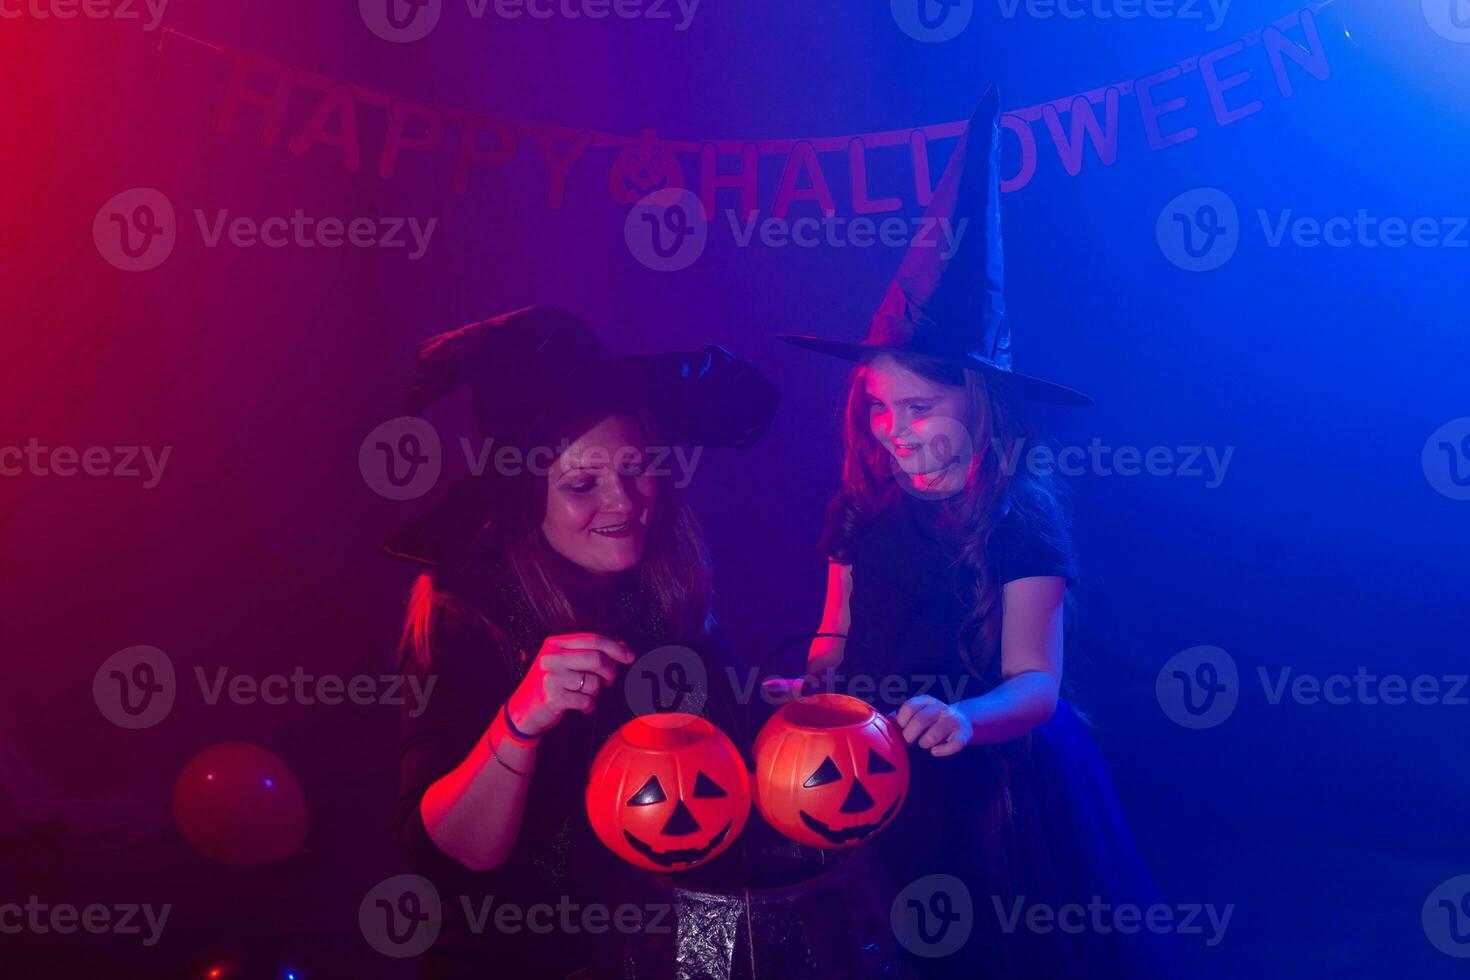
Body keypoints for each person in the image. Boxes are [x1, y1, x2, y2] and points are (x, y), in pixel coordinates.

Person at [771, 88, 1178, 979]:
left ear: (980, 403)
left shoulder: (1018, 518)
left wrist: (964, 716)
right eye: (879, 412)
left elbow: (1036, 684)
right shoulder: (860, 508)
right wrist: (815, 681)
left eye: (917, 408)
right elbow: (836, 629)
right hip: (868, 766)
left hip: (988, 788)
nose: (895, 432)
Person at [383, 306, 778, 978]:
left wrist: (789, 715)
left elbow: (730, 767)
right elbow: (457, 853)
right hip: (522, 957)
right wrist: (520, 723)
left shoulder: (667, 583)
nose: (624, 502)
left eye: (636, 468)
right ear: (523, 497)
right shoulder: (465, 614)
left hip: (675, 943)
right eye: (581, 485)